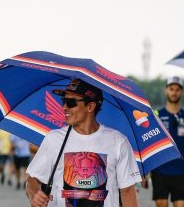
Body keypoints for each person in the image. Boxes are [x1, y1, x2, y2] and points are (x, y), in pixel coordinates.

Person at [26, 78, 141, 207]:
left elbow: (127, 191)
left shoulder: (118, 142)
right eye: (64, 101)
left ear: (90, 107)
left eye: (70, 102)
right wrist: (34, 196)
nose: (64, 107)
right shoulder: (54, 139)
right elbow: (32, 179)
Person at [149, 76, 184, 207]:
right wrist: (144, 172)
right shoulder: (156, 115)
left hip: (182, 171)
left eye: (177, 89)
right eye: (171, 89)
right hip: (160, 171)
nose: (174, 92)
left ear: (182, 92)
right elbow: (149, 143)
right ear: (166, 90)